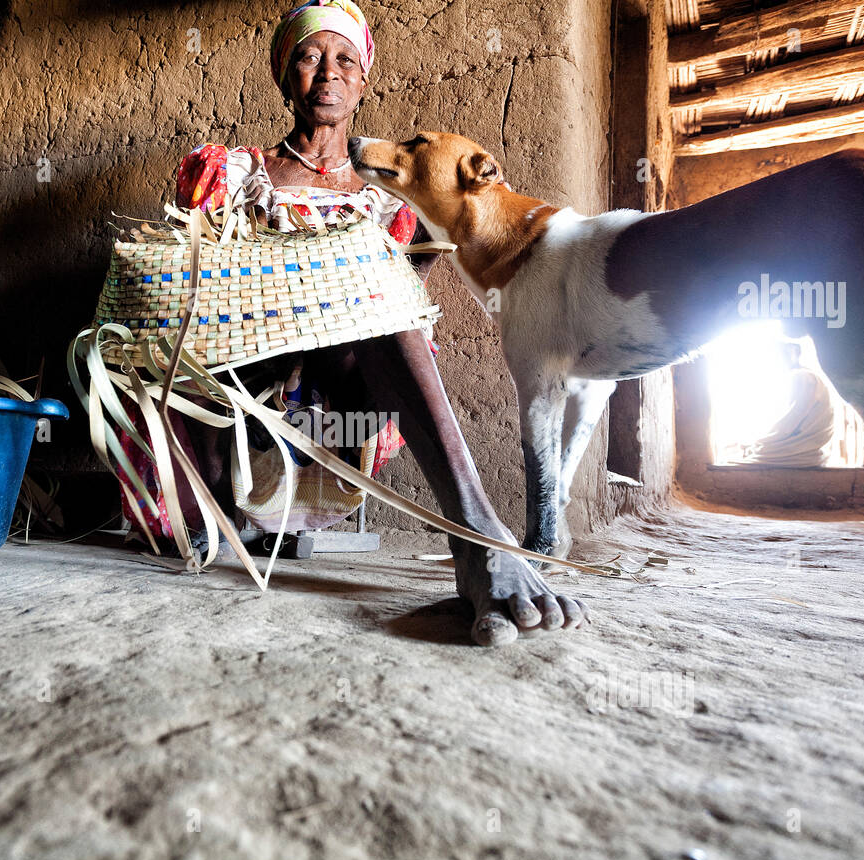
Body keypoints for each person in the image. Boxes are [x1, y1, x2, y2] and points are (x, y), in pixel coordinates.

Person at [115, 0, 577, 645]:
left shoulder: (386, 195)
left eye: (344, 61)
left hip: (338, 387)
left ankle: (476, 534)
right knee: (202, 338)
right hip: (244, 363)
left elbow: (403, 296)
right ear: (284, 77)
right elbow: (193, 275)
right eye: (308, 58)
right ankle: (219, 495)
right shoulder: (238, 171)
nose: (326, 73)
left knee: (378, 305)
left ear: (362, 80)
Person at [743, 342, 836, 467]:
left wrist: (762, 440)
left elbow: (792, 418)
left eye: (784, 354)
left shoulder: (802, 376)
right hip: (804, 444)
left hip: (799, 448)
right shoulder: (801, 376)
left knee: (750, 454)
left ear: (796, 354)